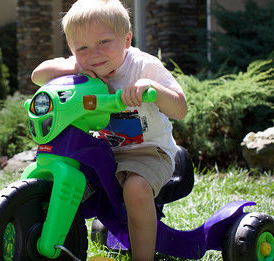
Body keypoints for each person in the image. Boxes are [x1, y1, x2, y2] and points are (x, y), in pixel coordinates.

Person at [31, 0, 187, 260]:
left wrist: (153, 89)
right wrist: (74, 66)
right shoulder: (83, 67)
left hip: (149, 152)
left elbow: (180, 108)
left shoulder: (143, 67)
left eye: (104, 42)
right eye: (82, 47)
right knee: (71, 171)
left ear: (126, 40)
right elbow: (38, 75)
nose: (94, 53)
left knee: (135, 189)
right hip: (106, 152)